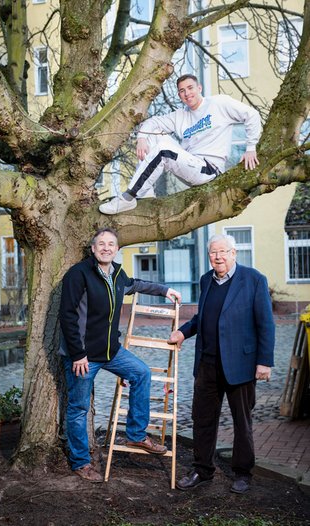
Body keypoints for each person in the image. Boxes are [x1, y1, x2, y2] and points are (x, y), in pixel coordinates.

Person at [59, 227, 182, 483]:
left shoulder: (117, 274)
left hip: (110, 352)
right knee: (78, 408)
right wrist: (78, 354)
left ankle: (136, 435)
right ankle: (81, 462)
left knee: (141, 373)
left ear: (116, 249)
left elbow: (135, 284)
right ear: (93, 248)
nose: (106, 247)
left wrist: (164, 290)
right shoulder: (78, 274)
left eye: (111, 244)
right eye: (101, 243)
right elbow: (67, 316)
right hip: (82, 357)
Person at [168, 234, 275, 494]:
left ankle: (242, 473)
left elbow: (266, 323)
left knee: (242, 421)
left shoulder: (253, 279)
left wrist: (264, 362)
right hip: (207, 363)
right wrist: (183, 332)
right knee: (202, 419)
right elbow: (201, 317)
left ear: (234, 253)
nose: (218, 257)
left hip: (241, 364)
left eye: (223, 252)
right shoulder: (207, 280)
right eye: (213, 253)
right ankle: (202, 470)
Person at [99, 74, 261, 215]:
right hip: (190, 164)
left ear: (199, 88)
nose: (187, 93)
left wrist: (250, 148)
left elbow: (252, 115)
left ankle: (128, 197)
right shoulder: (181, 115)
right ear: (179, 95)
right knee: (154, 136)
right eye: (182, 91)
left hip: (209, 170)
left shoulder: (219, 103)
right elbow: (153, 122)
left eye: (190, 88)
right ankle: (145, 194)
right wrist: (141, 138)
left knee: (163, 150)